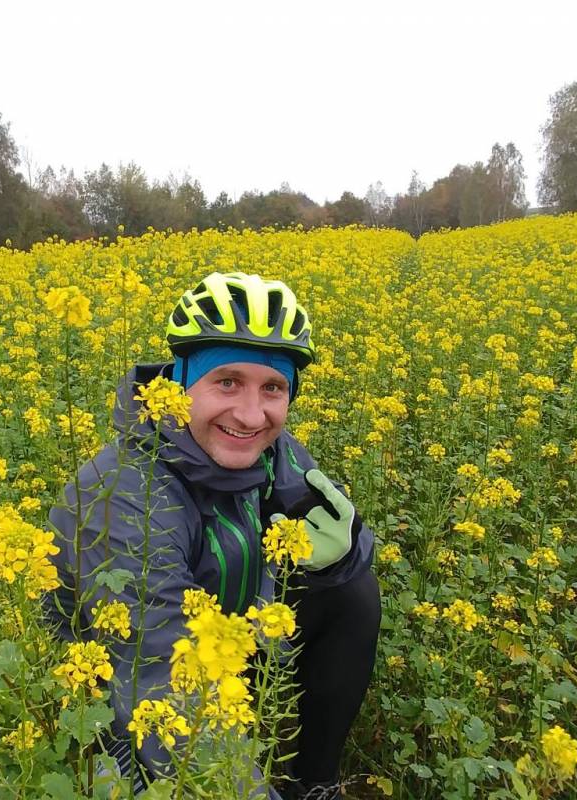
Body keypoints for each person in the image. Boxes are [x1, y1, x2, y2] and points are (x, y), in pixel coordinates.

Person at [46, 272, 381, 799]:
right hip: (121, 689)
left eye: (273, 388)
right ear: (180, 384)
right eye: (226, 381)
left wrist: (342, 560)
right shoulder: (125, 494)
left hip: (220, 646)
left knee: (352, 592)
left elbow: (344, 539)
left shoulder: (271, 448)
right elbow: (159, 673)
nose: (250, 415)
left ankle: (313, 785)